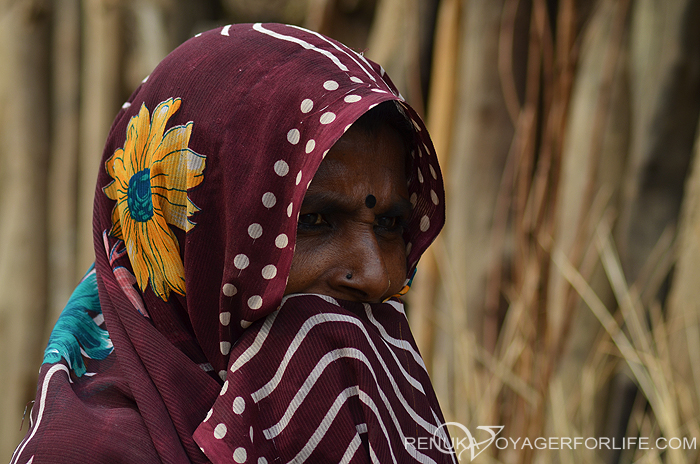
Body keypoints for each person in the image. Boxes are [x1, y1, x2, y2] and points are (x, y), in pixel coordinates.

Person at [11, 23, 452, 463]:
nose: (376, 276)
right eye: (316, 220)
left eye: (390, 224)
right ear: (192, 239)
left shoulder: (382, 418)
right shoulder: (90, 453)